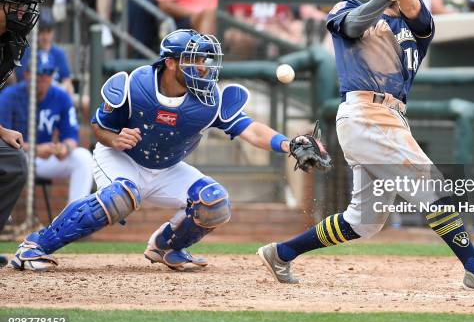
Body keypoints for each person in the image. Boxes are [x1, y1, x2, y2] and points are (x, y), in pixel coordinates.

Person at [257, 0, 474, 291]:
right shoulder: (348, 7)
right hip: (366, 113)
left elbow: (416, 10)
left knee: (363, 221)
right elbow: (353, 26)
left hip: (390, 118)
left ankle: (281, 253)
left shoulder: (419, 29)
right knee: (435, 190)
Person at [10, 29, 323, 272]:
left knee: (216, 203)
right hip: (121, 158)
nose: (202, 68)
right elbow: (98, 126)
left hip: (168, 168)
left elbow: (249, 128)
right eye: (194, 60)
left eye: (204, 60)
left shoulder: (208, 98)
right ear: (171, 62)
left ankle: (167, 247)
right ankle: (35, 246)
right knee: (121, 197)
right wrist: (115, 139)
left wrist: (287, 143)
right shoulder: (135, 84)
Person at [0, 51, 94, 206]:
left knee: (83, 157)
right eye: (40, 72)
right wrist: (34, 149)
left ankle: (74, 219)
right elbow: (2, 139)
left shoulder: (61, 96)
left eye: (48, 73)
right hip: (19, 157)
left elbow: (71, 136)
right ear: (28, 74)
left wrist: (65, 148)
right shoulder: (10, 95)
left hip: (47, 158)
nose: (44, 78)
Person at [0, 0, 43, 267]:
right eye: (14, 5)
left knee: (13, 162)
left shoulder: (10, 42)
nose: (22, 13)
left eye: (24, 7)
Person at [16, 10, 74, 96]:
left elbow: (68, 85)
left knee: (85, 101)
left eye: (48, 31)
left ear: (53, 32)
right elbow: (22, 82)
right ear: (36, 32)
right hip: (31, 97)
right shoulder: (26, 52)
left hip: (54, 98)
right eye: (42, 31)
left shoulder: (58, 53)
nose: (45, 36)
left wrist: (55, 89)